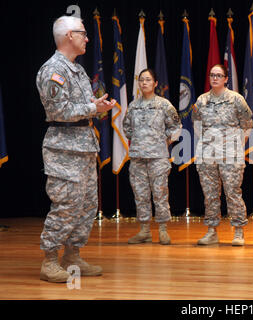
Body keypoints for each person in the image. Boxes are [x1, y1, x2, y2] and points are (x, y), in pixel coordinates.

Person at [36, 16, 116, 282]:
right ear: (69, 35)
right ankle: (49, 261)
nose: (87, 38)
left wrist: (97, 104)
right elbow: (58, 111)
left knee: (86, 205)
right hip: (63, 149)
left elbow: (81, 105)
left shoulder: (77, 70)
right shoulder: (53, 71)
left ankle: (72, 255)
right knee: (66, 204)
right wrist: (94, 108)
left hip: (83, 145)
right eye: (83, 33)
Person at [192, 64, 253, 246]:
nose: (215, 78)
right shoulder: (202, 100)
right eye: (212, 75)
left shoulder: (236, 99)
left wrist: (237, 145)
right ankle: (212, 231)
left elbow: (247, 124)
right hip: (207, 155)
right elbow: (196, 125)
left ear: (226, 79)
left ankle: (238, 231)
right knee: (210, 194)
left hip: (231, 155)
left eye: (219, 75)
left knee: (233, 193)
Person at [123, 69, 181, 245]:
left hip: (158, 158)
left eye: (148, 80)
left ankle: (163, 230)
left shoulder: (164, 105)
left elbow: (176, 126)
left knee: (160, 194)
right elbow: (127, 128)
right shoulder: (133, 106)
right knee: (140, 195)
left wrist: (164, 142)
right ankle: (144, 231)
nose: (144, 83)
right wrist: (141, 142)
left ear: (155, 83)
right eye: (141, 80)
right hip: (138, 158)